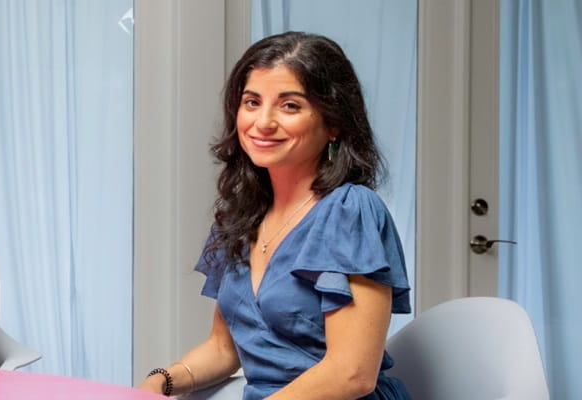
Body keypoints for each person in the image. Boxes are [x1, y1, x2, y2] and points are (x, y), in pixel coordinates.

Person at [137, 31, 412, 399]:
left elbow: (353, 374)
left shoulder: (350, 211)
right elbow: (223, 349)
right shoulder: (242, 217)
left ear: (334, 124)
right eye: (251, 102)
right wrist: (160, 382)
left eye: (290, 106)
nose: (262, 122)